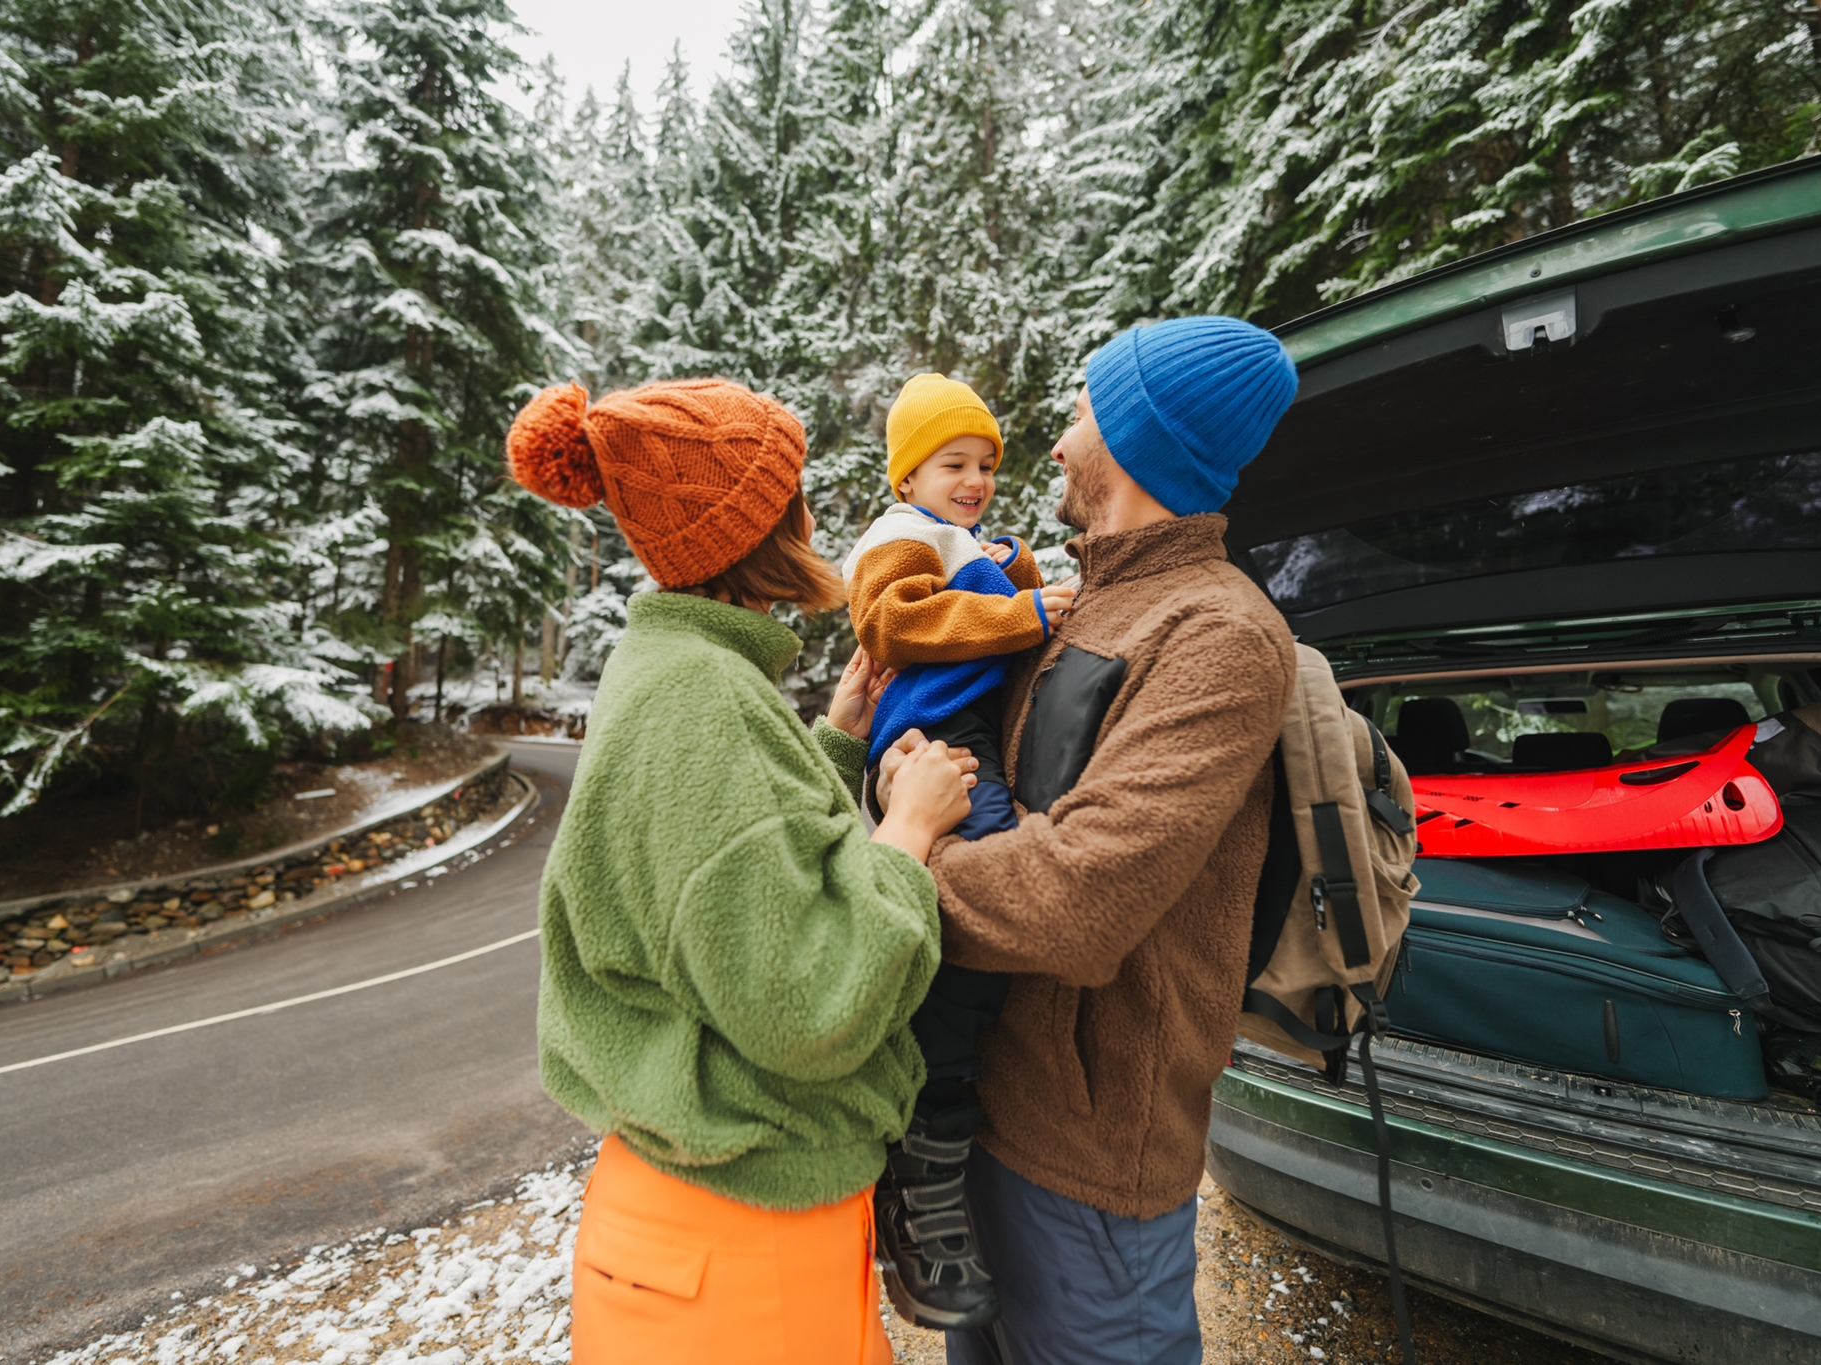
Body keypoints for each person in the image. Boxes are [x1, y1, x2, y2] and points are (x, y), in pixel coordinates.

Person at [505, 377, 980, 1365]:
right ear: (753, 526)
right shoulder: (704, 700)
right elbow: (804, 1002)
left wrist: (836, 746)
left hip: (708, 1217)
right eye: (789, 494)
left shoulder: (674, 671)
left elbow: (726, 861)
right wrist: (909, 831)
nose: (808, 516)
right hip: (739, 1244)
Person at [889, 316, 1303, 1365]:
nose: (1059, 441)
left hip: (1090, 1157)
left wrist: (903, 855)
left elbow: (1081, 900)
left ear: (1128, 439)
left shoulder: (1217, 633)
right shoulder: (1074, 605)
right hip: (983, 1111)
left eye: (1080, 413)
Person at [840, 373, 1078, 1329]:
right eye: (953, 464)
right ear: (908, 475)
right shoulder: (901, 535)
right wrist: (1027, 610)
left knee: (991, 911)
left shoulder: (971, 543)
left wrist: (1021, 573)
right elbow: (892, 621)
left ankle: (945, 1087)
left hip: (973, 731)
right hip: (932, 738)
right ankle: (923, 1125)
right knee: (984, 903)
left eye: (986, 464)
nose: (975, 481)